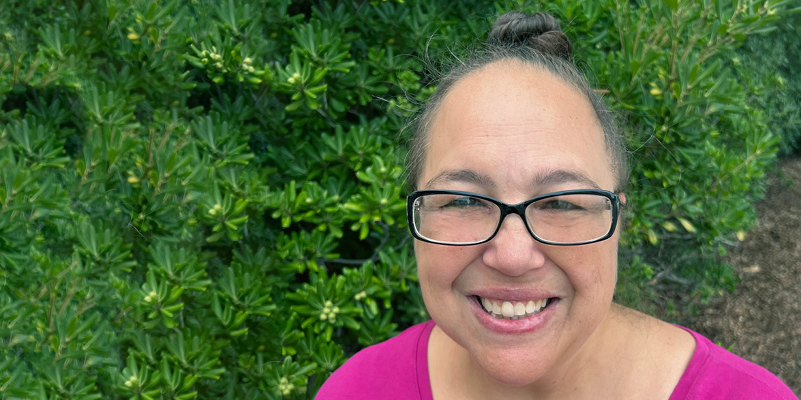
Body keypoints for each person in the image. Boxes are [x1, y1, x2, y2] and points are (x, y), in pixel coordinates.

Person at [315, 10, 797, 400]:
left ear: (617, 221)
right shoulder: (356, 390)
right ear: (418, 215)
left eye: (563, 203)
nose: (513, 255)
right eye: (463, 199)